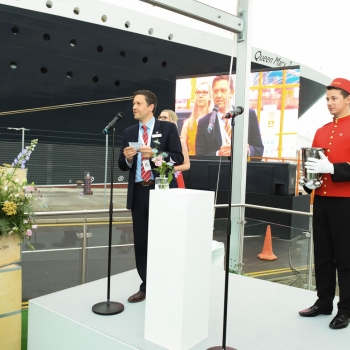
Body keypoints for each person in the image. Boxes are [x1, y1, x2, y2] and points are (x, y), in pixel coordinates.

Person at [118, 90, 184, 303]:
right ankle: (146, 285)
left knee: (164, 239)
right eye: (133, 104)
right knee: (141, 241)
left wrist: (156, 155)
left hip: (162, 192)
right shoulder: (129, 132)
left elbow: (177, 157)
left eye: (138, 103)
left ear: (150, 106)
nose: (134, 107)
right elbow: (121, 164)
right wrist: (127, 159)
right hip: (138, 193)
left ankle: (168, 282)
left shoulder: (168, 128)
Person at [299, 78, 350, 330]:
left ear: (348, 99)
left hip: (346, 202)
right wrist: (308, 182)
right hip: (322, 199)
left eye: (334, 98)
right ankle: (324, 302)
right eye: (327, 99)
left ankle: (347, 309)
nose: (329, 103)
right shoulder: (320, 130)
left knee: (346, 258)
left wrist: (332, 168)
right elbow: (312, 163)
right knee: (322, 255)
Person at [195, 75, 264, 157]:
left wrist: (247, 151)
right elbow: (200, 156)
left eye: (223, 91)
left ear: (231, 93)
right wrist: (218, 154)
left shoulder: (248, 116)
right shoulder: (204, 122)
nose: (218, 95)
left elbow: (259, 149)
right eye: (215, 92)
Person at [158, 109, 190, 188]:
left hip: (173, 177)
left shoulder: (179, 140)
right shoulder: (156, 139)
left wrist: (169, 169)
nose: (161, 119)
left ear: (172, 121)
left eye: (165, 117)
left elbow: (187, 165)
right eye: (160, 117)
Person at [180, 81, 212, 155]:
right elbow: (181, 150)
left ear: (210, 96)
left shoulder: (216, 121)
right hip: (193, 163)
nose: (200, 95)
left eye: (204, 92)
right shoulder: (188, 124)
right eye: (198, 92)